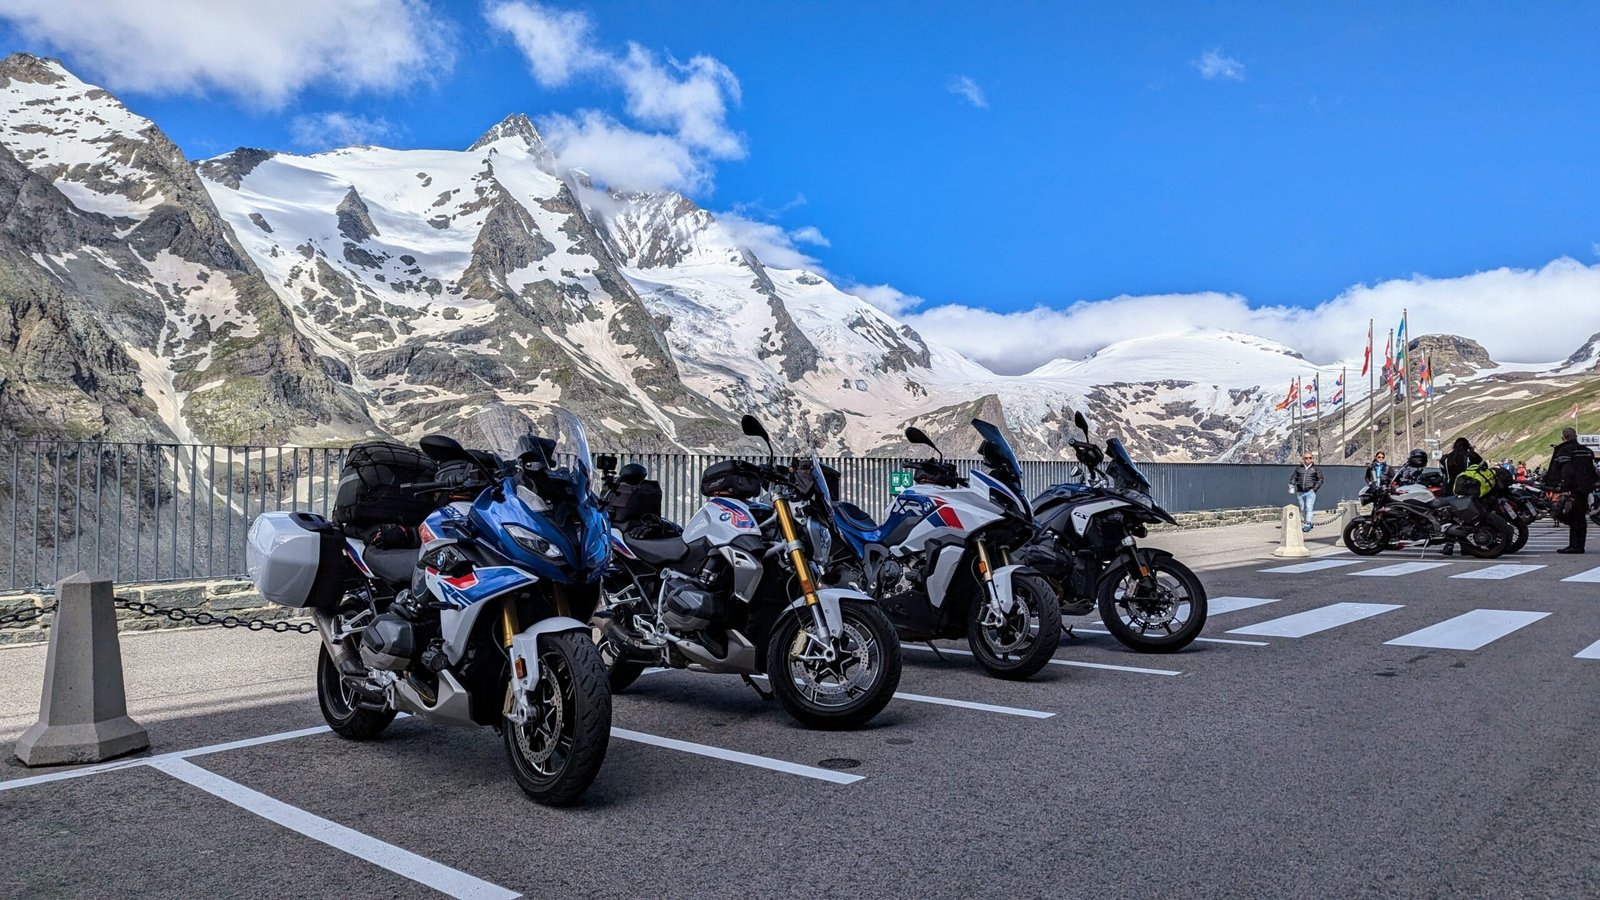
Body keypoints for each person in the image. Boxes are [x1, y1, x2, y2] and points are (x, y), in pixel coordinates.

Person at [1546, 427, 1596, 554]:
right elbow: (1592, 470)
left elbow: (1566, 470)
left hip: (1573, 488)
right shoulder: (1587, 451)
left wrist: (1563, 486)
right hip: (1585, 488)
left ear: (1564, 437)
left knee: (1571, 516)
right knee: (1580, 517)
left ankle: (1575, 546)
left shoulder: (1565, 450)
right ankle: (1579, 545)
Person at [1289, 451, 1324, 533]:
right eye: (1306, 458)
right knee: (1302, 509)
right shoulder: (1299, 468)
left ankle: (1307, 525)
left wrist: (1314, 489)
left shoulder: (1316, 469)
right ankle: (1308, 522)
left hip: (1310, 492)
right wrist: (1292, 485)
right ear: (1303, 459)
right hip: (1300, 492)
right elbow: (1294, 477)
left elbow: (1320, 479)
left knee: (1309, 508)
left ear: (1312, 458)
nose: (1308, 459)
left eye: (1310, 458)